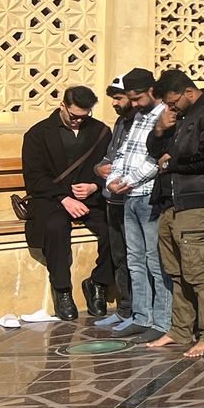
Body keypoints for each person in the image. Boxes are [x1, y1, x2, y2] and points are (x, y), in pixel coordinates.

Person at [146, 70, 204, 357]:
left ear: (188, 92)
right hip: (170, 203)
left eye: (173, 102)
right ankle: (181, 330)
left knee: (199, 273)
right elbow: (156, 153)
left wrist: (172, 163)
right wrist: (159, 130)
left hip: (196, 203)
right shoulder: (177, 117)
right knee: (176, 273)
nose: (170, 108)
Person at [21, 86, 113, 320]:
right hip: (52, 198)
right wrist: (64, 198)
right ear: (62, 106)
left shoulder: (101, 131)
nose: (77, 121)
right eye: (73, 116)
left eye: (84, 116)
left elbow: (110, 167)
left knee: (115, 229)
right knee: (55, 227)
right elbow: (34, 177)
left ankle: (98, 283)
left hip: (91, 198)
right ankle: (62, 290)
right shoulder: (38, 134)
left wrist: (95, 185)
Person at [104, 68, 170, 342]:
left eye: (139, 97)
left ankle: (162, 320)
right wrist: (113, 179)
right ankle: (141, 316)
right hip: (129, 196)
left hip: (148, 195)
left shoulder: (165, 115)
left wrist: (129, 180)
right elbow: (124, 151)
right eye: (131, 98)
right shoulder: (139, 116)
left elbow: (157, 158)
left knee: (155, 261)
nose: (135, 104)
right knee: (134, 259)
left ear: (152, 91)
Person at [91, 79, 135, 327]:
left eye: (119, 98)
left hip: (133, 198)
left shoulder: (145, 122)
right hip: (113, 199)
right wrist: (99, 169)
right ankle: (125, 308)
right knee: (119, 256)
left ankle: (141, 312)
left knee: (137, 258)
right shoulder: (120, 123)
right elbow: (109, 156)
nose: (115, 104)